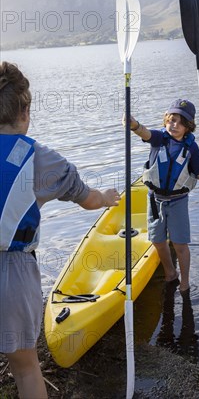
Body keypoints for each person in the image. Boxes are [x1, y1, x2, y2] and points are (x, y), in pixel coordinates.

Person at [0, 62, 120, 399]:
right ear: (25, 112)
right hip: (13, 272)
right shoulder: (40, 159)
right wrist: (106, 198)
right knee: (24, 367)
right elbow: (87, 199)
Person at [129, 98, 199, 293]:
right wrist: (134, 125)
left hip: (178, 201)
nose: (174, 125)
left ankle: (184, 282)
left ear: (188, 127)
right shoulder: (160, 138)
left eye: (180, 122)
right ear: (166, 120)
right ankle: (170, 272)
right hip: (155, 199)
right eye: (171, 120)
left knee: (180, 244)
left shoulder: (191, 148)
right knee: (157, 240)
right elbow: (144, 132)